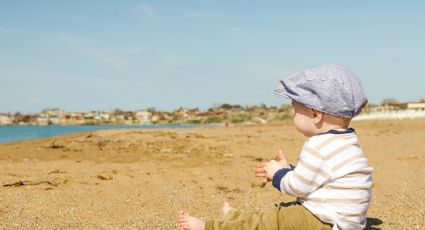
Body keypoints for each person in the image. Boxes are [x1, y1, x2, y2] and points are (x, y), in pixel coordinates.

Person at [178, 64, 373, 230]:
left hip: (325, 222)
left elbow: (297, 187)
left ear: (315, 115)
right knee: (285, 211)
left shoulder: (317, 146)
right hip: (350, 223)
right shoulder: (347, 140)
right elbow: (322, 177)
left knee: (271, 221)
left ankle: (208, 226)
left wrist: (277, 174)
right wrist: (291, 170)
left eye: (296, 111)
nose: (293, 116)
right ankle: (236, 216)